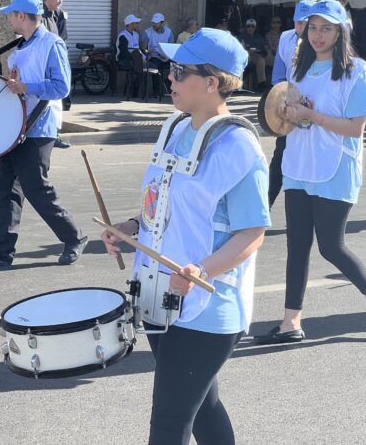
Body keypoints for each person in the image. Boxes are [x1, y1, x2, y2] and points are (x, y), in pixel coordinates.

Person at [101, 28, 269, 445]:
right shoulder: (175, 129)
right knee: (203, 411)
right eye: (169, 69)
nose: (168, 78)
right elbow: (164, 206)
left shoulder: (238, 146)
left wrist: (202, 269)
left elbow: (253, 232)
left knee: (169, 425)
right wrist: (131, 228)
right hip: (161, 296)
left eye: (179, 71)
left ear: (212, 83)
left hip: (207, 308)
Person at [254, 0, 366, 345]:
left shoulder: (354, 70)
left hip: (335, 166)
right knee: (297, 244)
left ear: (340, 31)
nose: (317, 35)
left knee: (331, 246)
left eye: (326, 28)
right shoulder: (299, 66)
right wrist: (288, 111)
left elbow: (357, 127)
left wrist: (311, 115)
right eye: (312, 27)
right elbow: (294, 113)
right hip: (299, 164)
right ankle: (291, 322)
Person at [0, 0, 87, 267]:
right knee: (5, 189)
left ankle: (74, 236)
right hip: (16, 125)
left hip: (39, 125)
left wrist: (25, 87)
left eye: (11, 14)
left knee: (35, 187)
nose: (8, 19)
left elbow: (62, 87)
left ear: (21, 16)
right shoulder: (21, 46)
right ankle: (0, 251)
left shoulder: (51, 44)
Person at [268, 0, 314, 208]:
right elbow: (278, 75)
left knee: (308, 160)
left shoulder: (322, 41)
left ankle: (306, 211)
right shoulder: (286, 38)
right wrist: (282, 98)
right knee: (280, 158)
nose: (302, 28)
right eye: (298, 23)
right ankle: (264, 207)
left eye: (306, 23)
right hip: (288, 107)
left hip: (313, 109)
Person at [41, 0, 71, 147]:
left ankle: (54, 135)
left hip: (55, 65)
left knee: (56, 104)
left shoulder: (56, 15)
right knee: (48, 105)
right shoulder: (41, 16)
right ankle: (50, 135)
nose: (60, 1)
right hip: (45, 67)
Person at [141, 13, 174, 97]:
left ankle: (168, 82)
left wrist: (166, 55)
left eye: (156, 23)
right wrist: (149, 52)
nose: (154, 25)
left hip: (166, 56)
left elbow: (171, 46)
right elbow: (143, 49)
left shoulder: (168, 32)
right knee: (154, 67)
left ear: (162, 23)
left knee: (177, 65)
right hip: (154, 56)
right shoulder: (147, 32)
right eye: (153, 22)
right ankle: (156, 91)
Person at [115, 14, 144, 98]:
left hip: (136, 58)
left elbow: (138, 48)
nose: (137, 25)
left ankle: (139, 91)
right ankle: (134, 91)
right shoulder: (123, 36)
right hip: (124, 59)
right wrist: (135, 57)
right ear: (131, 24)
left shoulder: (136, 34)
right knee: (138, 66)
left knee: (151, 65)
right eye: (136, 23)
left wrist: (144, 57)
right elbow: (123, 52)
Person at [239, 18, 267, 92]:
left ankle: (262, 85)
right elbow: (239, 49)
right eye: (248, 26)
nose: (250, 28)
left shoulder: (260, 38)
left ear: (255, 27)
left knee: (261, 60)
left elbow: (264, 50)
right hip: (244, 57)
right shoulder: (241, 37)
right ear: (246, 27)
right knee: (260, 60)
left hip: (257, 57)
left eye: (252, 26)